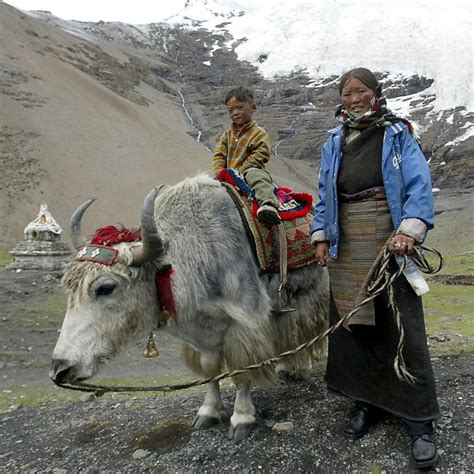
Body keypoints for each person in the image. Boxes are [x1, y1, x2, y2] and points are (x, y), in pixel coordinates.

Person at [311, 67, 440, 469]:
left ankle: (419, 420)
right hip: (346, 243)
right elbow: (322, 192)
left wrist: (408, 231)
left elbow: (419, 185)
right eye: (347, 93)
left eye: (361, 91)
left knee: (401, 328)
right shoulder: (334, 141)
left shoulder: (398, 133)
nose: (353, 98)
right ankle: (369, 403)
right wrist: (319, 236)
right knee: (356, 327)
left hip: (388, 239)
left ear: (375, 93)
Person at [212, 86, 281, 225]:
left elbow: (260, 154)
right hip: (229, 175)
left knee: (258, 177)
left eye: (239, 108)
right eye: (231, 111)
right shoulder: (226, 135)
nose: (235, 113)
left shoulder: (258, 132)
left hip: (250, 170)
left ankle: (268, 205)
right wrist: (220, 171)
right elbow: (219, 154)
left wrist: (240, 171)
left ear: (253, 107)